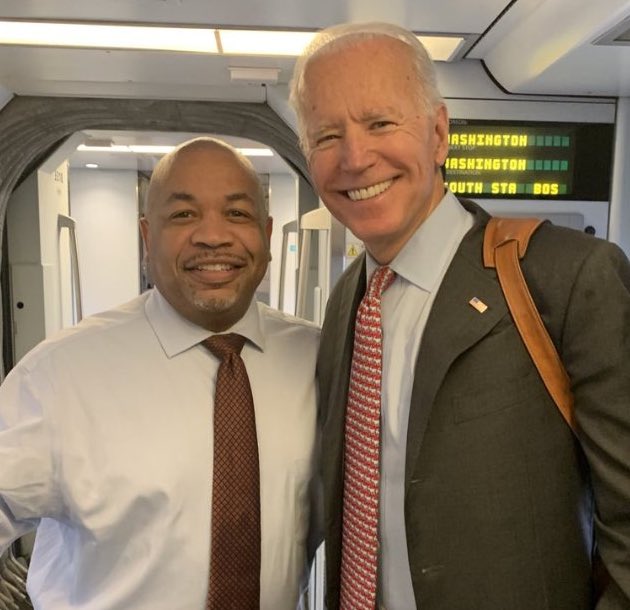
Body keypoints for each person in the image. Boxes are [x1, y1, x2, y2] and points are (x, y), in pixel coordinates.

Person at [290, 21, 630, 610]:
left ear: (439, 133)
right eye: (326, 136)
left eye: (380, 123)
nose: (355, 157)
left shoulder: (568, 278)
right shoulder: (348, 298)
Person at [0, 137, 320, 609]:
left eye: (236, 214)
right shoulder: (59, 376)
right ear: (148, 237)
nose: (213, 236)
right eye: (184, 215)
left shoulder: (318, 359)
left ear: (267, 235)